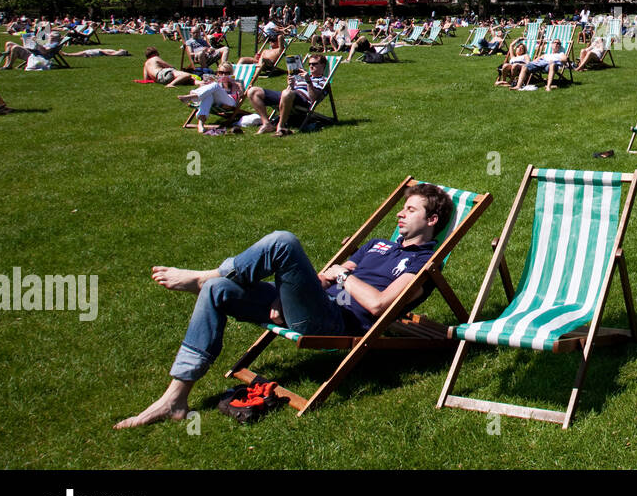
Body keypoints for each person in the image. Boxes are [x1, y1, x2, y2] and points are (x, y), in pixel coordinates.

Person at [114, 183, 452, 428]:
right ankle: (175, 398)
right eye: (402, 207)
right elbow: (322, 279)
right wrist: (283, 296)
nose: (401, 213)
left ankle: (207, 274)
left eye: (411, 209)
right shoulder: (377, 245)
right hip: (310, 303)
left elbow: (379, 305)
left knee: (283, 242)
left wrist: (343, 278)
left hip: (333, 322)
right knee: (218, 290)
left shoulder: (423, 265)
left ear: (433, 220)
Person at [244, 54, 330, 136]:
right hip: (288, 95)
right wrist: (290, 85)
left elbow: (314, 98)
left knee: (286, 93)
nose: (311, 66)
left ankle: (280, 126)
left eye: (314, 64)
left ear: (323, 65)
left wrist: (308, 81)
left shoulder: (324, 81)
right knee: (253, 91)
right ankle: (267, 124)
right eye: (310, 64)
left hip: (303, 100)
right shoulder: (301, 76)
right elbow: (290, 91)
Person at [178, 63, 246, 134]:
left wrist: (238, 89)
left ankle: (192, 97)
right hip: (216, 100)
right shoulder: (215, 82)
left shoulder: (237, 83)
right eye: (221, 72)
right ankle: (200, 125)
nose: (223, 75)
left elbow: (241, 95)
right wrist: (203, 85)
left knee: (215, 85)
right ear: (217, 73)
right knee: (208, 95)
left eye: (227, 73)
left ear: (231, 73)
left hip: (230, 102)